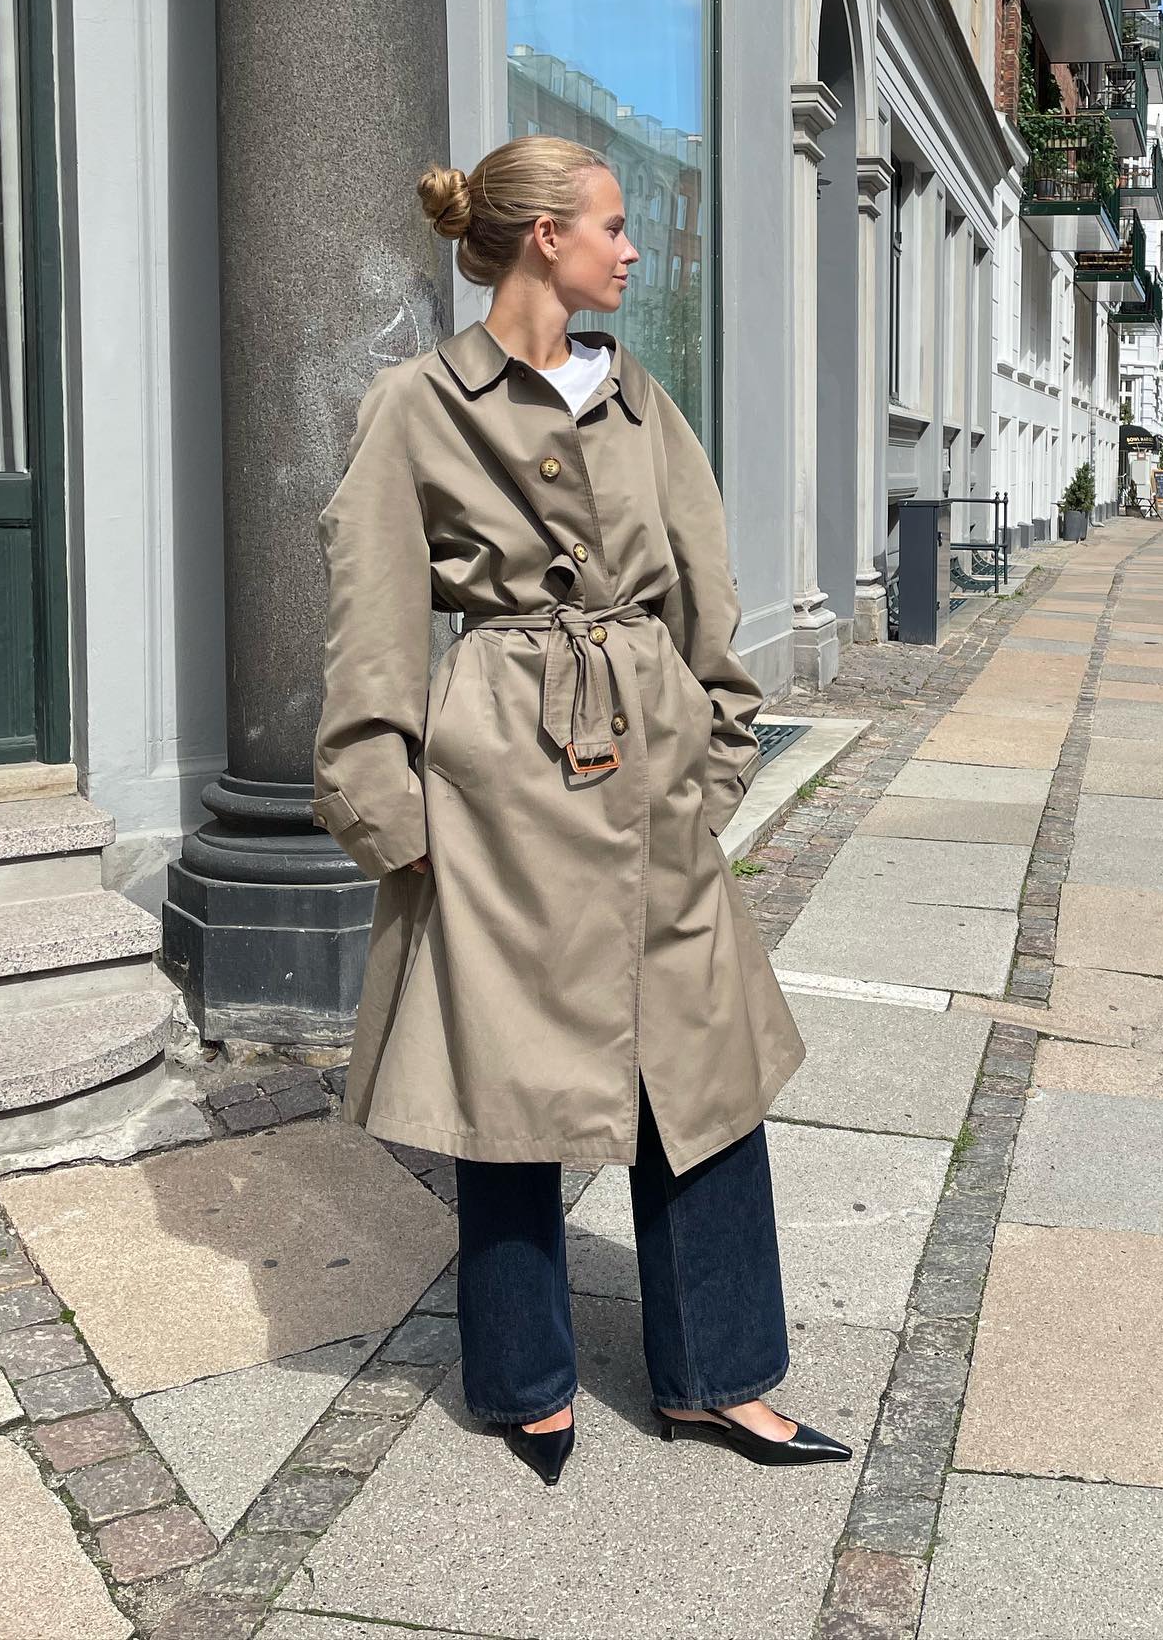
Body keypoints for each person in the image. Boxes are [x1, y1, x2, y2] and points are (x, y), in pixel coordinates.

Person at [310, 135, 851, 1489]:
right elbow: (371, 615)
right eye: (611, 225)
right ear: (543, 234)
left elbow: (706, 597)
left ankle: (720, 1372)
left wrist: (718, 755)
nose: (630, 247)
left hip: (650, 757)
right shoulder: (416, 403)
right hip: (498, 771)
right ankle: (525, 1378)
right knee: (508, 1076)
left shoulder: (640, 403)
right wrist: (392, 812)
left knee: (703, 1061)